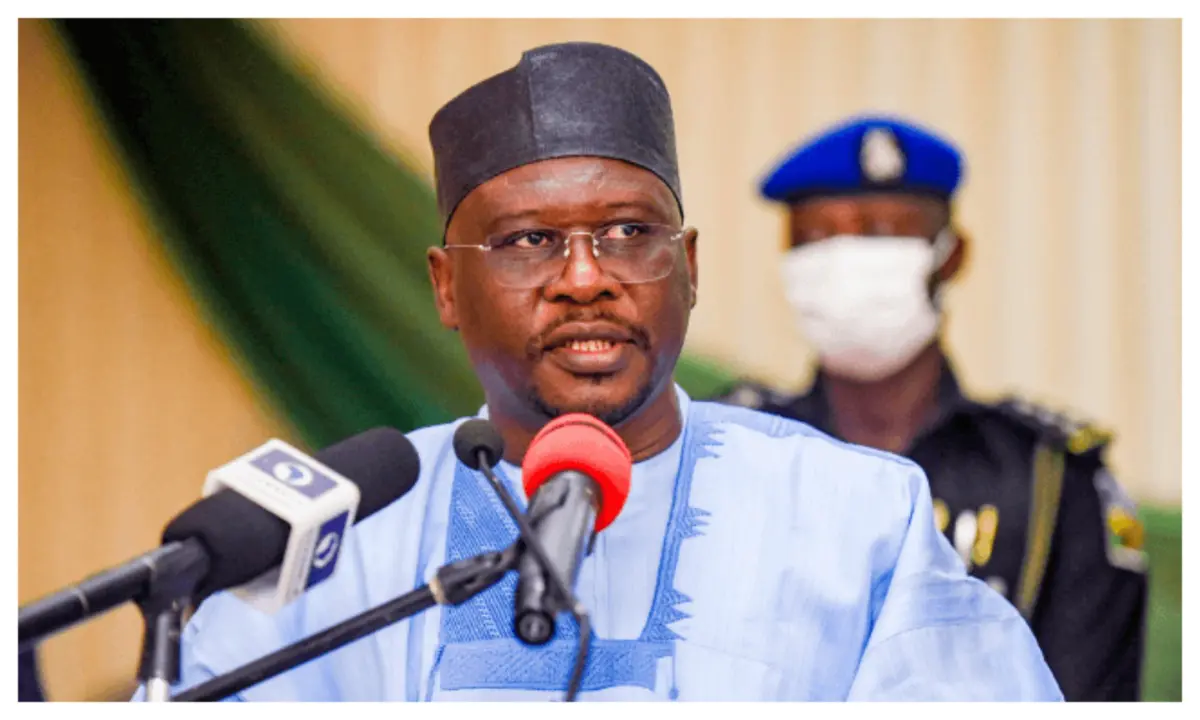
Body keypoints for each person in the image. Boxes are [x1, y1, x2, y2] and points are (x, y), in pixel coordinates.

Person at [136, 44, 1061, 701]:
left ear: (687, 267)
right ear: (446, 286)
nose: (585, 278)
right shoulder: (345, 539)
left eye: (627, 232)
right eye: (528, 241)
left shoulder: (859, 515)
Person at [714, 115, 1147, 701]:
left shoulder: (1051, 480)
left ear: (952, 256)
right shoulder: (734, 458)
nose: (844, 261)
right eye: (814, 237)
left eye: (879, 232)